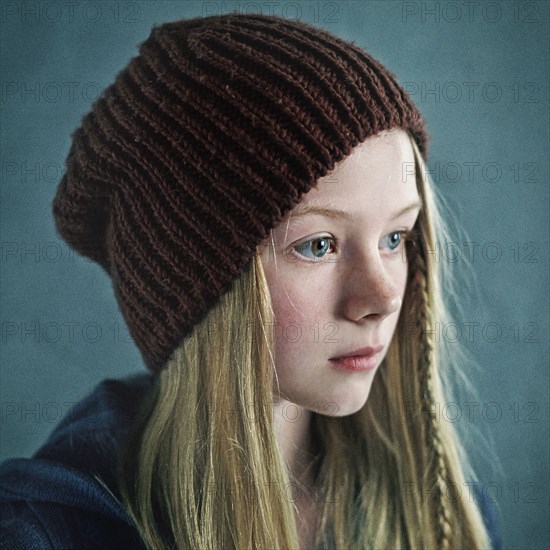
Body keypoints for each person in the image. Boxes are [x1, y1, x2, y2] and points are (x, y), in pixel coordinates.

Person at [0, 12, 501, 550]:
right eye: (318, 245)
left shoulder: (441, 510)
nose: (382, 298)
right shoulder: (48, 535)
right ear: (198, 289)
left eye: (396, 238)